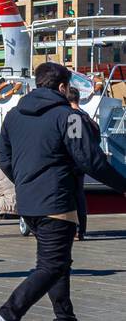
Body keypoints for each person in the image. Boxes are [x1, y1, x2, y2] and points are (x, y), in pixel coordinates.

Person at [0, 63, 126, 321]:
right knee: (52, 266)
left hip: (29, 202)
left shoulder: (13, 115)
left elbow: (3, 155)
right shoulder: (69, 116)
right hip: (57, 200)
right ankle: (7, 317)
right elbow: (91, 160)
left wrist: (26, 180)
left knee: (57, 263)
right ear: (62, 87)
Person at [67, 87, 98, 240]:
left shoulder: (74, 117)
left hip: (73, 164)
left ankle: (77, 230)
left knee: (74, 196)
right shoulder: (86, 116)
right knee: (79, 195)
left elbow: (74, 142)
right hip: (83, 163)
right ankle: (81, 229)